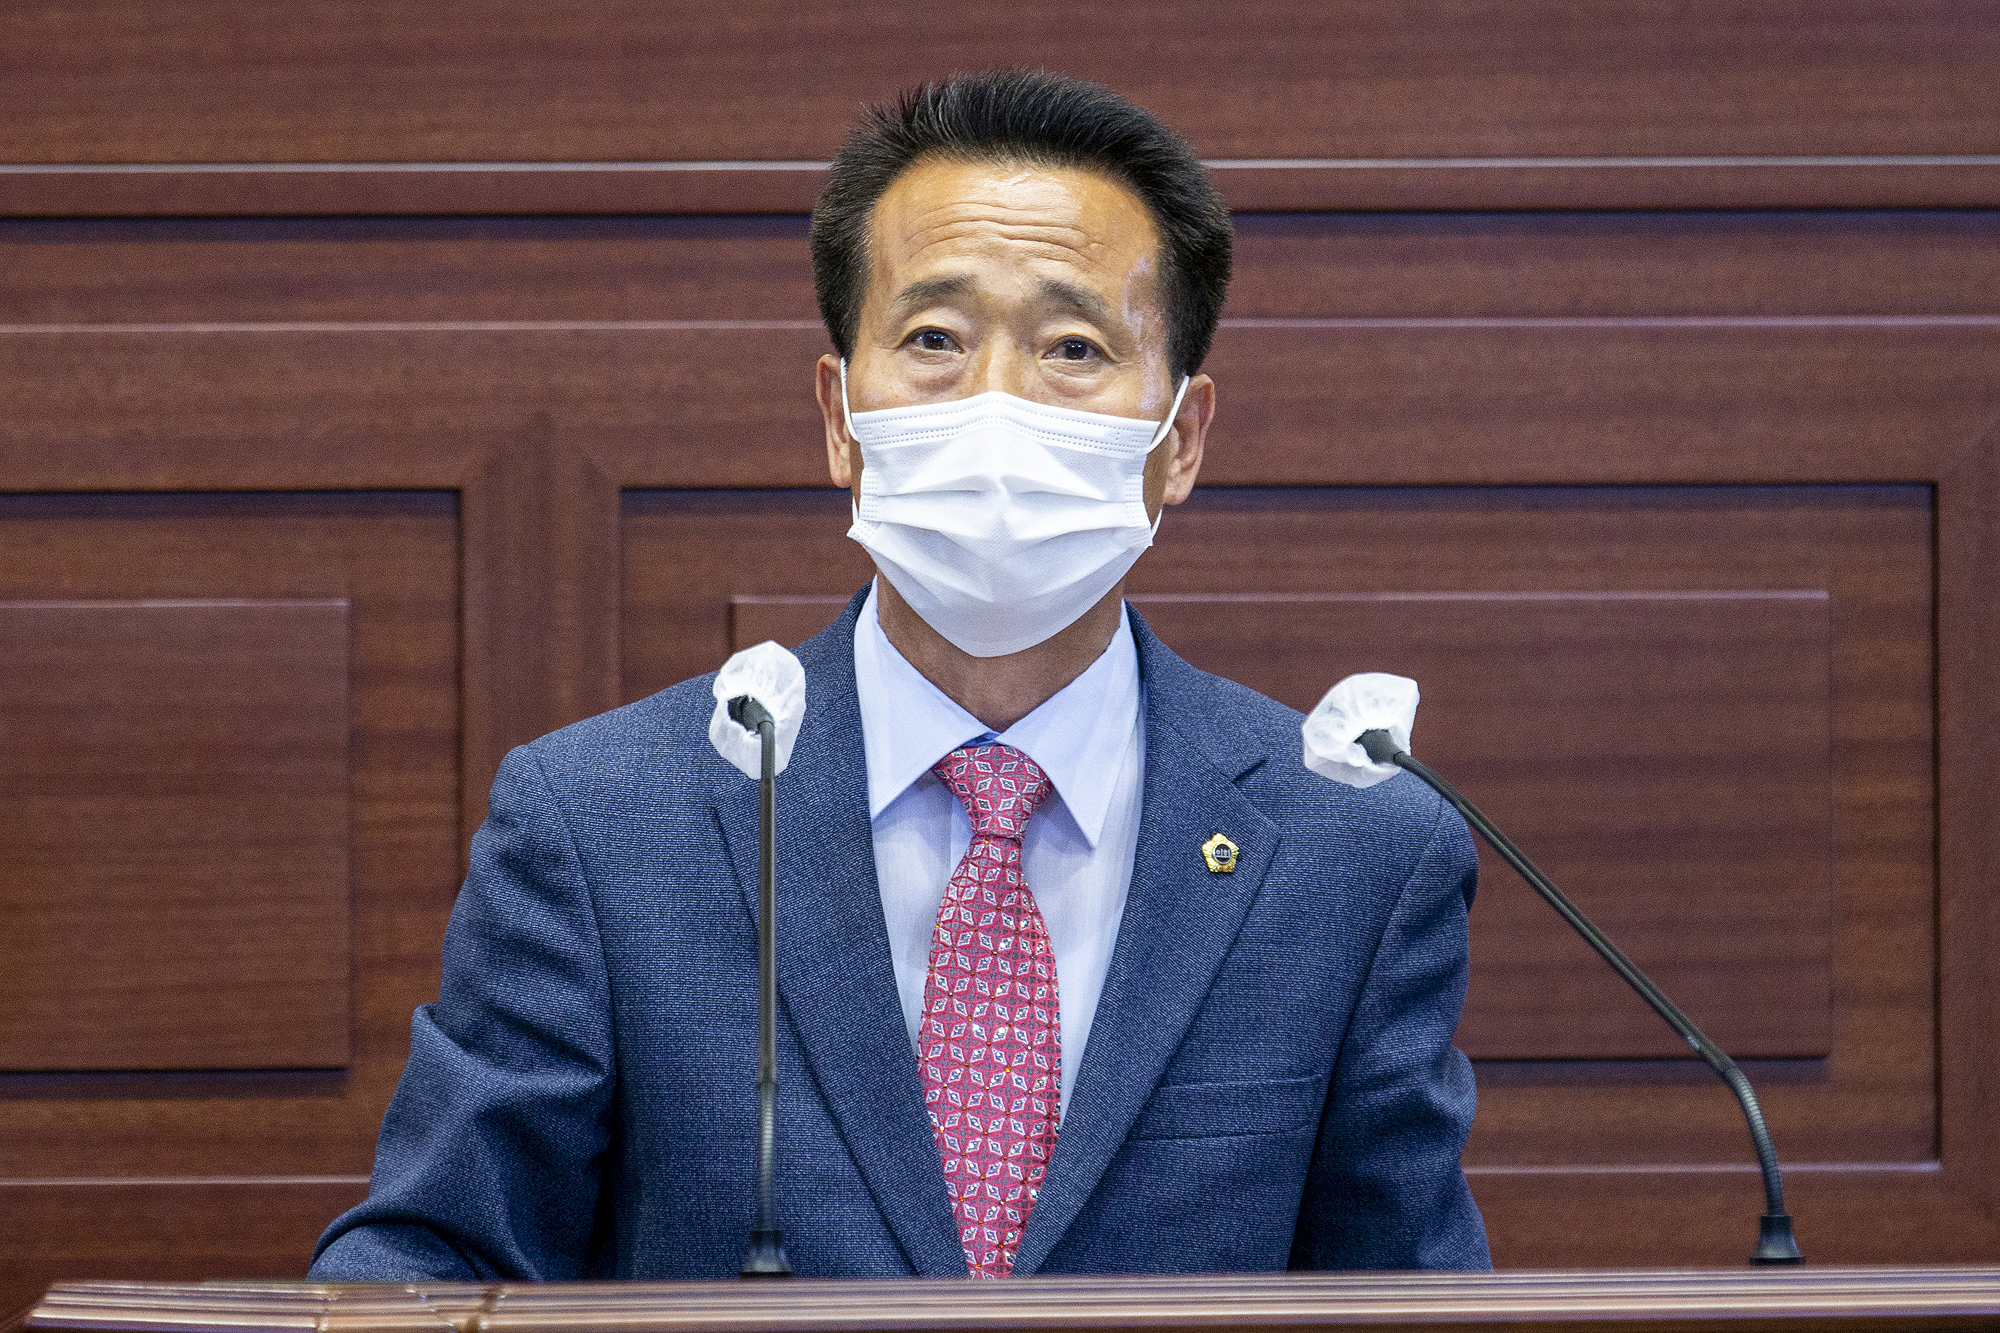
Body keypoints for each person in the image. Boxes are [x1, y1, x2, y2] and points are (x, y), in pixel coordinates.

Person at [310, 69, 1488, 1281]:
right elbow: (432, 1258)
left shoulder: (1356, 850)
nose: (994, 406)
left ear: (1178, 440)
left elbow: (1411, 1296)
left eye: (1072, 347)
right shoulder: (602, 823)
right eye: (933, 340)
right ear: (840, 418)